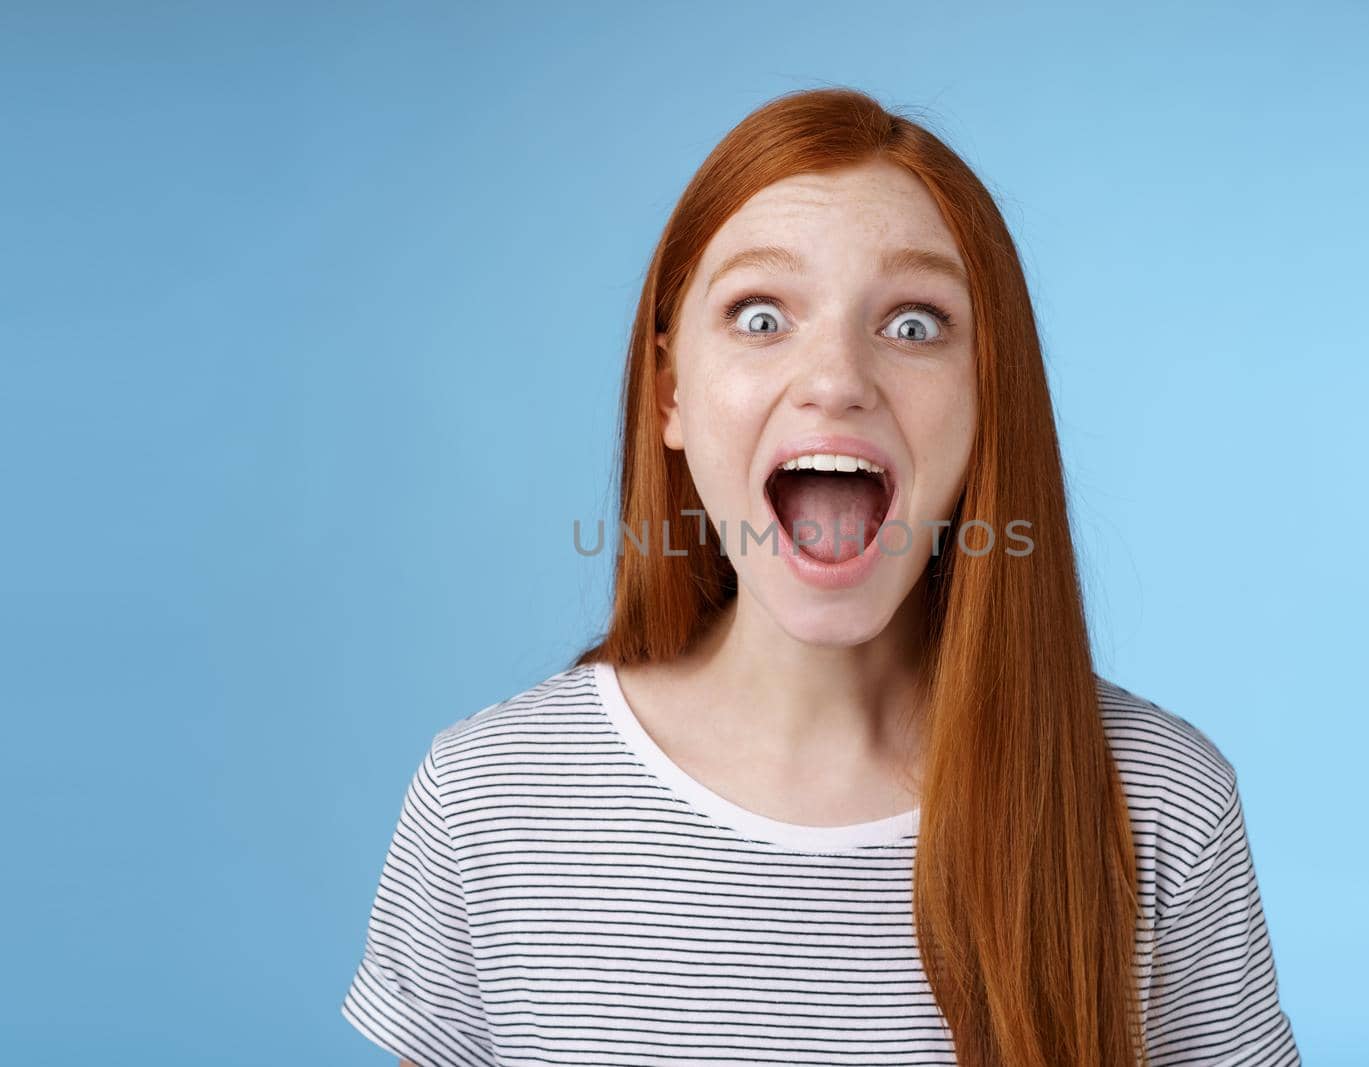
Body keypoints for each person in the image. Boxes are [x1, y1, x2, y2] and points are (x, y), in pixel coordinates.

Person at [340, 86, 1301, 1067]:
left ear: (988, 400)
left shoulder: (1155, 802)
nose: (837, 376)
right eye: (760, 315)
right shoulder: (488, 797)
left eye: (916, 324)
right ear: (672, 391)